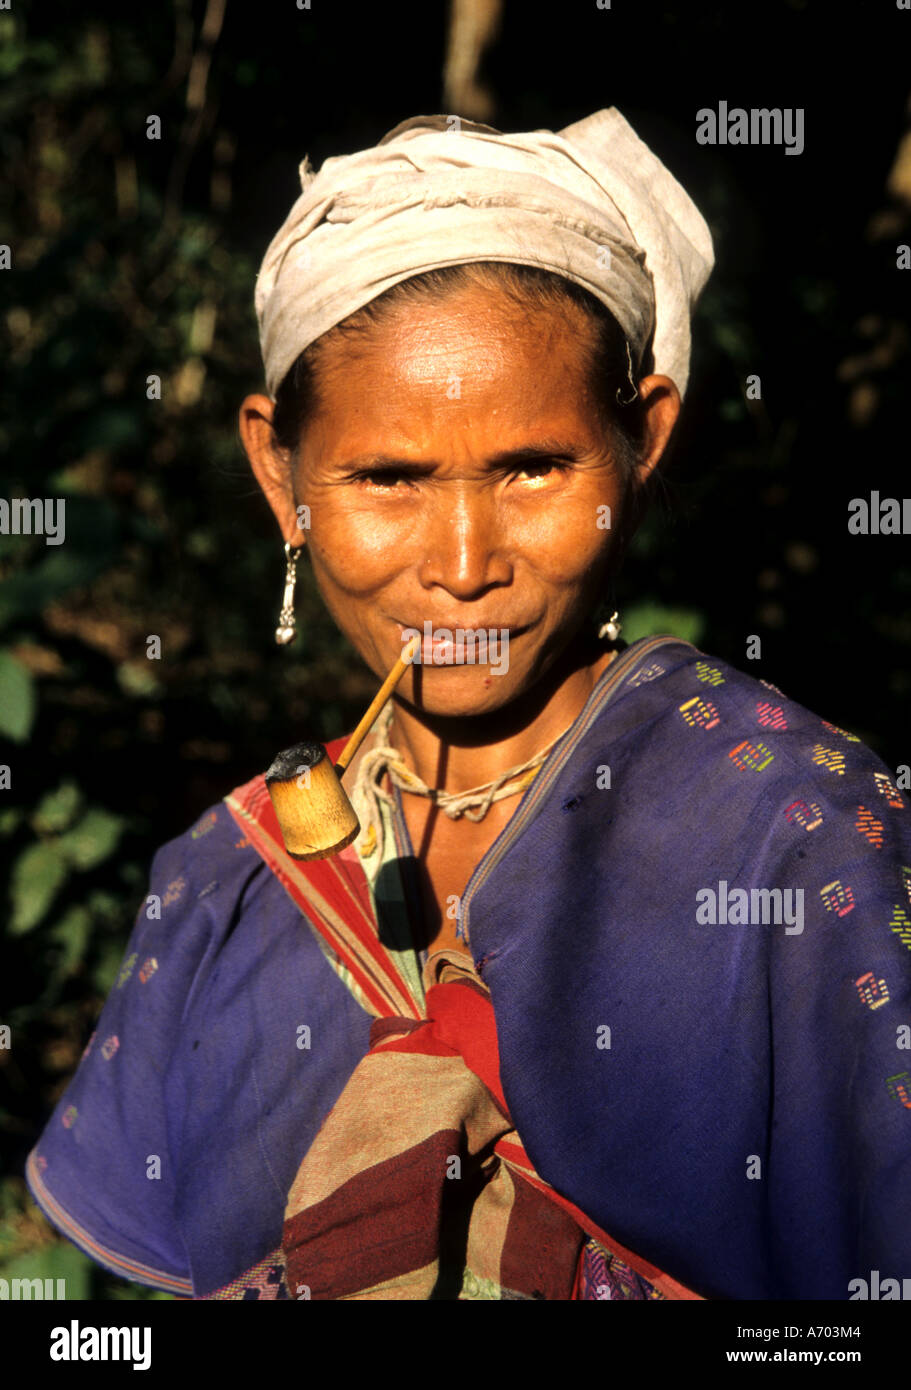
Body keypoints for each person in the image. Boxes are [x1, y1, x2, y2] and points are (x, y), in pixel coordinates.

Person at [25, 109, 911, 1302]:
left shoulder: (794, 836)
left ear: (642, 443)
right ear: (279, 476)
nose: (461, 560)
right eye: (386, 477)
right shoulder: (219, 885)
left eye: (534, 467)